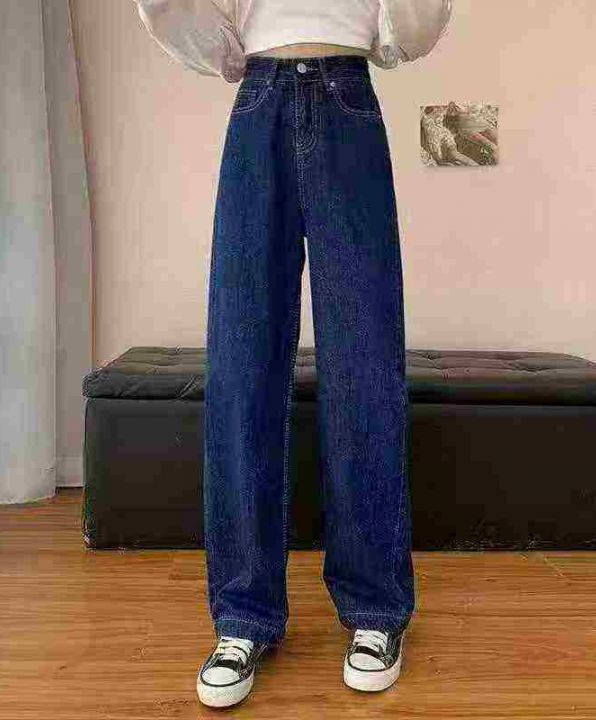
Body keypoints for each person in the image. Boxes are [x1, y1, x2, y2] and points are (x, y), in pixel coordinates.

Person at [132, 0, 454, 708]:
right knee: (242, 368)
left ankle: (375, 609)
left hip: (348, 103)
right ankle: (242, 615)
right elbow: (208, 39)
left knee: (364, 367)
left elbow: (410, 33)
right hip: (259, 104)